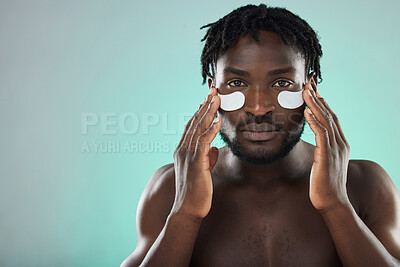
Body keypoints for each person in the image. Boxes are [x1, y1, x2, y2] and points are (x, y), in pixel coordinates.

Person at [121, 4, 400, 266]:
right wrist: (184, 215)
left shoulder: (365, 185)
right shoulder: (170, 188)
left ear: (309, 88)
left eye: (281, 83)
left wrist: (337, 206)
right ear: (213, 91)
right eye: (236, 82)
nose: (258, 107)